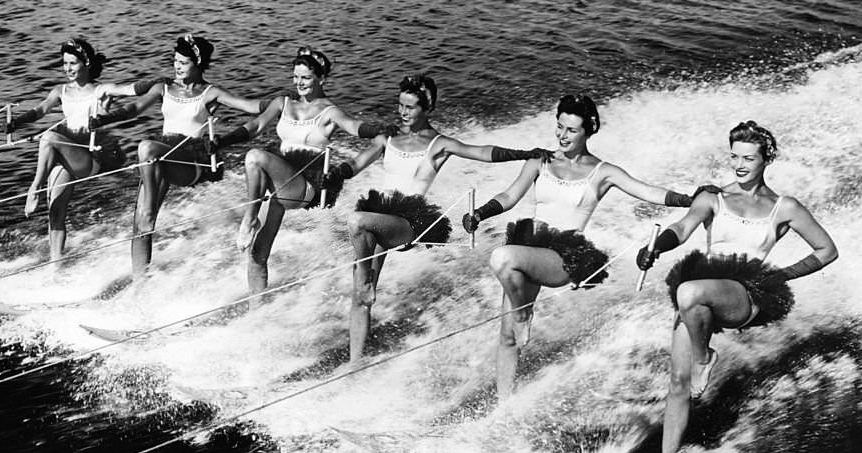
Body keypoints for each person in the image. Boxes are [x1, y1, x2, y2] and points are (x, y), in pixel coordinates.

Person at [461, 94, 713, 400]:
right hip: (529, 248)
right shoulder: (540, 160)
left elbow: (647, 191)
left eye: (571, 130)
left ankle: (523, 314)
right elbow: (510, 195)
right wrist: (480, 213)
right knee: (506, 334)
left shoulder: (603, 172)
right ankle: (505, 404)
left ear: (588, 131)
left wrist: (690, 199)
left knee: (502, 258)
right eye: (559, 127)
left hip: (564, 257)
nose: (562, 136)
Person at [633, 120, 838, 453]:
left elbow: (827, 250)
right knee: (678, 383)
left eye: (749, 157)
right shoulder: (713, 197)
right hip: (700, 294)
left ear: (766, 159)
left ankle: (703, 359)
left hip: (744, 296)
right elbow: (682, 228)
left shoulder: (784, 207)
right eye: (734, 155)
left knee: (689, 293)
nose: (739, 164)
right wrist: (656, 247)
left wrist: (778, 276)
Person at [324, 73, 551, 362]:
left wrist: (524, 153)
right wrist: (335, 175)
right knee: (359, 291)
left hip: (410, 223)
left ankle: (366, 283)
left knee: (357, 222)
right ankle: (356, 362)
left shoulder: (439, 144)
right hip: (379, 218)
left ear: (427, 108)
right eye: (400, 106)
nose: (402, 113)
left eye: (410, 107)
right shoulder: (388, 138)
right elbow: (356, 164)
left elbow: (480, 152)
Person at [214, 46, 396, 293]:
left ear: (321, 78)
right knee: (258, 252)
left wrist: (379, 130)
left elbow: (354, 126)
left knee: (255, 157)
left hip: (306, 187)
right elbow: (255, 126)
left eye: (306, 77)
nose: (299, 83)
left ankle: (248, 220)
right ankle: (255, 309)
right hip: (279, 184)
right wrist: (222, 142)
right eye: (296, 77)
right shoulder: (283, 103)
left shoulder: (329, 111)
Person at [91, 34, 266, 279]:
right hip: (163, 158)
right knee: (139, 224)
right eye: (175, 61)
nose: (177, 66)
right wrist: (105, 118)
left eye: (183, 62)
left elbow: (248, 106)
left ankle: (151, 209)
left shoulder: (209, 92)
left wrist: (279, 103)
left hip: (191, 161)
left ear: (198, 64)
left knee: (145, 149)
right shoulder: (164, 87)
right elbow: (135, 108)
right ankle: (139, 281)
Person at [5, 37, 158, 261]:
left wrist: (156, 82)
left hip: (91, 155)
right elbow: (40, 110)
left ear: (85, 63)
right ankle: (54, 265)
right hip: (67, 155)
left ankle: (33, 189)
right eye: (64, 63)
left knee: (48, 138)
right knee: (55, 210)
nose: (67, 69)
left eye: (73, 63)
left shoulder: (100, 90)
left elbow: (128, 90)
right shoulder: (60, 91)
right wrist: (17, 123)